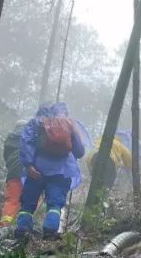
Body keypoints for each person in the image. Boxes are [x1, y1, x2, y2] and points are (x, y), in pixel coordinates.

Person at [16, 102, 88, 239]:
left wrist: (29, 165)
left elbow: (26, 142)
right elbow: (79, 152)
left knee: (28, 203)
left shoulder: (36, 122)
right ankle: (49, 233)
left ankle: (22, 232)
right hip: (62, 172)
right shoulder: (68, 124)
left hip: (36, 170)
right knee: (55, 205)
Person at [0, 120, 27, 227]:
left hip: (13, 173)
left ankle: (5, 226)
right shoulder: (30, 137)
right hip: (29, 172)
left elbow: (6, 157)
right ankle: (23, 227)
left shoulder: (10, 139)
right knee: (29, 201)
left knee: (11, 200)